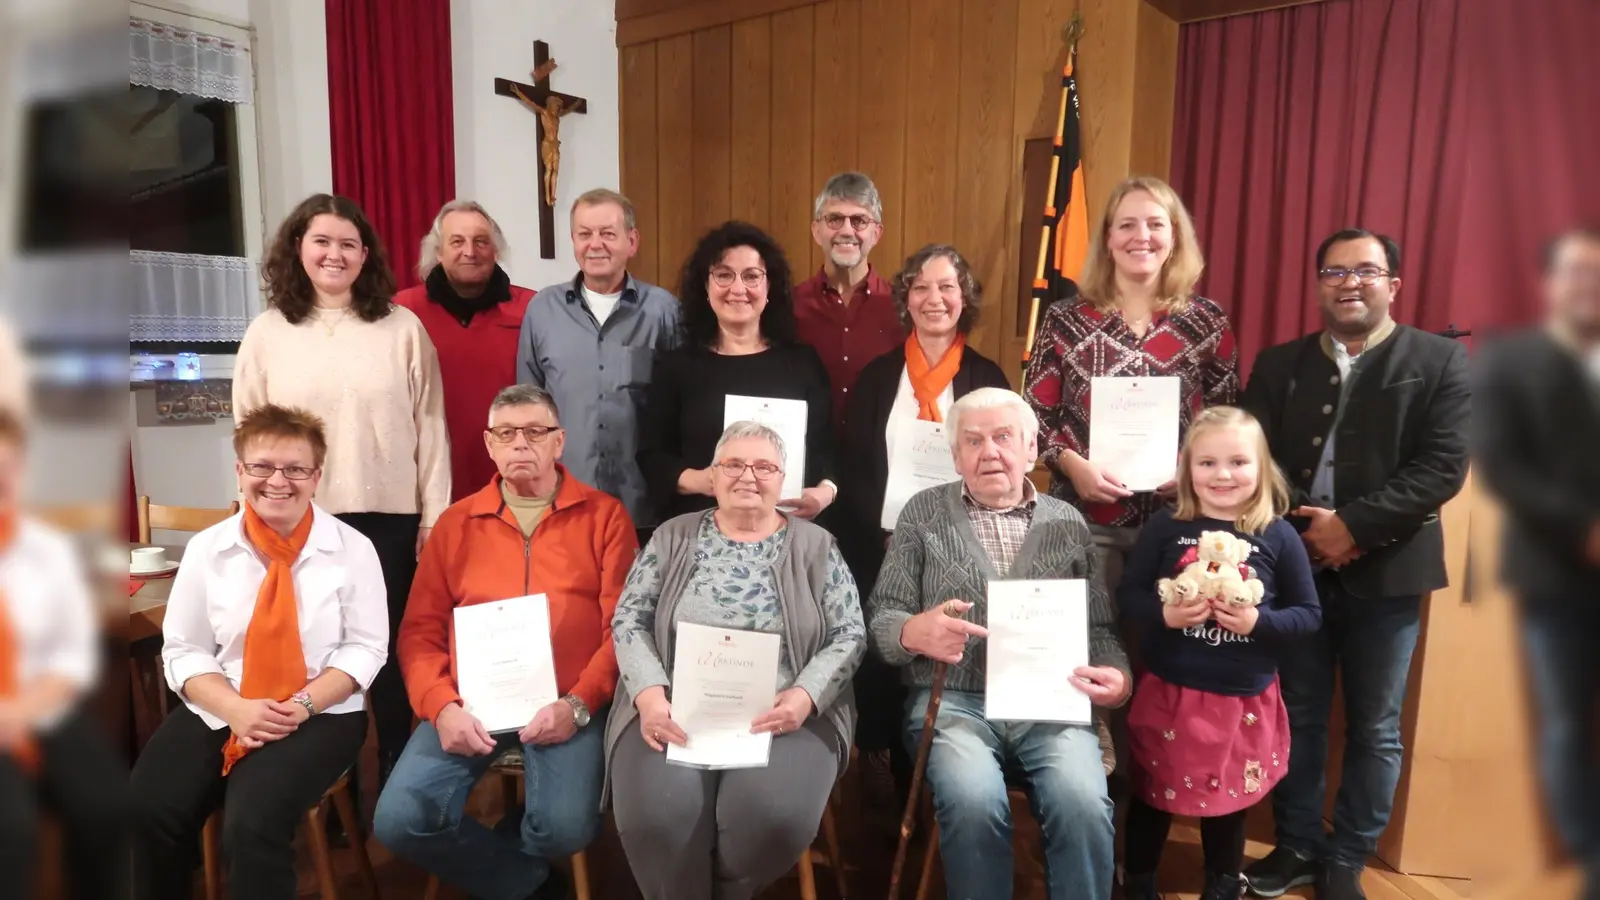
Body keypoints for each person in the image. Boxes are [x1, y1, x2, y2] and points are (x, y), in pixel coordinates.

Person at [1240, 229, 1470, 900]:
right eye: (1334, 272)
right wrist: (1305, 532)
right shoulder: (1279, 364)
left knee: (1374, 725)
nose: (1349, 283)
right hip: (1295, 567)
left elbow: (1443, 466)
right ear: (1318, 285)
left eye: (1365, 271)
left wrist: (1353, 529)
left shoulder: (1440, 360)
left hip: (1391, 571)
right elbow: (1252, 459)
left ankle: (1348, 859)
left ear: (1393, 283)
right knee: (1300, 714)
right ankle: (1297, 846)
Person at [374, 384, 637, 900]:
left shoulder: (605, 517)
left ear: (559, 442)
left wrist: (578, 705)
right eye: (507, 433)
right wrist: (442, 706)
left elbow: (621, 631)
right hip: (469, 703)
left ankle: (509, 862)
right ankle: (528, 884)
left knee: (565, 828)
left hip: (564, 702)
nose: (521, 444)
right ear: (489, 445)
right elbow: (419, 633)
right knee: (399, 821)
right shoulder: (456, 523)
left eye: (535, 432)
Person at [869, 387, 1131, 900]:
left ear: (1031, 449)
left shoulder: (1067, 522)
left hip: (1051, 704)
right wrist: (911, 631)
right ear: (955, 455)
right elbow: (883, 616)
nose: (990, 451)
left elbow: (1099, 630)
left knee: (1081, 800)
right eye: (974, 440)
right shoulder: (922, 515)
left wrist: (1116, 679)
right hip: (954, 704)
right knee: (971, 799)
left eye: (1004, 437)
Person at [129, 404, 389, 900]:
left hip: (319, 710)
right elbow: (183, 650)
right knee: (146, 809)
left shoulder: (353, 549)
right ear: (239, 472)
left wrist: (300, 706)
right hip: (223, 702)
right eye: (262, 467)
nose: (278, 481)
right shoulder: (208, 549)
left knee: (251, 825)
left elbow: (366, 649)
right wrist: (235, 708)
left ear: (316, 476)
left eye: (295, 468)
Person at [233, 192, 449, 779]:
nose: (335, 254)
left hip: (389, 516)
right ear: (297, 249)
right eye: (321, 241)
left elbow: (430, 426)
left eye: (347, 244)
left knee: (389, 652)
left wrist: (434, 516)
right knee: (314, 654)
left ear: (365, 254)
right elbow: (249, 435)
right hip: (298, 522)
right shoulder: (268, 333)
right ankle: (328, 778)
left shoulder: (402, 327)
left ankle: (403, 774)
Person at [606, 421, 865, 900]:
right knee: (659, 815)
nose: (748, 475)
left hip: (784, 713)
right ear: (713, 474)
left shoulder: (817, 546)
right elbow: (628, 619)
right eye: (733, 464)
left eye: (764, 466)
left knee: (771, 817)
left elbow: (850, 633)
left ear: (782, 478)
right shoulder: (672, 536)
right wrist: (648, 696)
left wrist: (806, 696)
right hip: (674, 706)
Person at [1116, 406, 1321, 900]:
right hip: (1169, 692)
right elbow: (1128, 595)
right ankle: (1138, 880)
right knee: (1151, 792)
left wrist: (1259, 622)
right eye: (1206, 463)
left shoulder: (1279, 535)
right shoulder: (1167, 527)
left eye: (1237, 462)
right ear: (1187, 468)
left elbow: (1309, 614)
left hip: (1241, 699)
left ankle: (1223, 883)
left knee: (1229, 801)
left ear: (1262, 468)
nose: (1223, 474)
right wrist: (1164, 615)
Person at [840, 243, 1009, 804]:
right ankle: (879, 764)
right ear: (906, 300)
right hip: (878, 542)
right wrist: (886, 527)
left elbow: (998, 469)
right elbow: (854, 463)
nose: (934, 299)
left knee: (939, 651)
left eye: (946, 287)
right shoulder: (878, 376)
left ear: (965, 299)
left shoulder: (986, 376)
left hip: (958, 545)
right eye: (921, 288)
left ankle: (932, 772)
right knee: (880, 644)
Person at [1022, 175, 1237, 575]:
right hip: (1082, 521)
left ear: (1174, 237)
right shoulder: (1064, 320)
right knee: (1090, 638)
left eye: (1156, 224)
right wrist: (1071, 464)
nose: (1142, 236)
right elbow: (1032, 419)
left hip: (1181, 522)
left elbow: (1226, 419)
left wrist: (1195, 465)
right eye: (1127, 224)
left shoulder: (1207, 322)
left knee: (1169, 635)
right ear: (1108, 238)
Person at [1473, 225, 1600, 900]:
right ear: (1552, 285)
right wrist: (1583, 528)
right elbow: (1502, 465)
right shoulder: (1512, 361)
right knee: (1568, 727)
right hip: (1555, 578)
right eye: (1576, 273)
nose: (1589, 287)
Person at [0, 409, 125, 900]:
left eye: (8, 468)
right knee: (11, 831)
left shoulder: (46, 549)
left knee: (109, 808)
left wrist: (22, 714)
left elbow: (72, 655)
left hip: (40, 704)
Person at [637, 220, 838, 524]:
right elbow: (652, 455)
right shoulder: (677, 366)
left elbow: (827, 449)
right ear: (705, 287)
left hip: (786, 528)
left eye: (752, 276)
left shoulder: (802, 363)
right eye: (724, 275)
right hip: (700, 528)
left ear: (770, 287)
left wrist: (824, 492)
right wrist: (703, 480)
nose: (738, 289)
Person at [518, 188, 680, 545]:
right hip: (564, 501)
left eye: (608, 233)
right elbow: (528, 412)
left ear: (632, 241)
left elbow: (683, 408)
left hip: (645, 506)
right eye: (584, 234)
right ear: (573, 240)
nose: (596, 244)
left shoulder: (663, 311)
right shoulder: (542, 311)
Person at [396, 199, 536, 502]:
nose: (470, 252)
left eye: (481, 241)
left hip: (513, 478)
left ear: (496, 250)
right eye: (457, 241)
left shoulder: (531, 309)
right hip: (429, 481)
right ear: (438, 251)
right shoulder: (403, 312)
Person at [793, 172, 903, 441]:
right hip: (808, 464)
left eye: (859, 220)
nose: (846, 230)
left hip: (878, 466)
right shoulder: (788, 306)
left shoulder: (903, 308)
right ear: (816, 231)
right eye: (834, 219)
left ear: (876, 233)